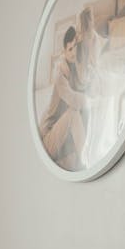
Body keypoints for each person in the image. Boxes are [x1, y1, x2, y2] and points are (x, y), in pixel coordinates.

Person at [39, 25, 87, 170]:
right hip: (48, 138)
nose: (73, 53)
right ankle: (87, 159)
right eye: (70, 49)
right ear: (64, 51)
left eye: (75, 47)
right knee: (74, 113)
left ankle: (83, 156)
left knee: (82, 114)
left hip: (61, 133)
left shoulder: (75, 67)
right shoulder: (59, 73)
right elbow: (73, 99)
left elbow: (85, 83)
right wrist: (89, 99)